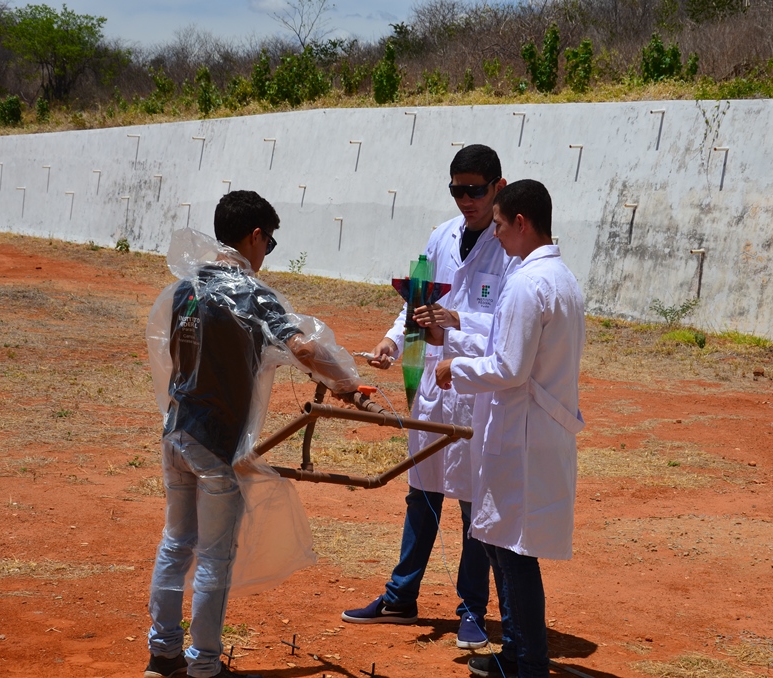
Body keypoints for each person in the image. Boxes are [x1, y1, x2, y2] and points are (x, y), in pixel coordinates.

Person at [144, 190, 361, 678]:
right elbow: (302, 347)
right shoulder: (250, 292)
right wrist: (345, 382)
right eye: (270, 241)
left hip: (175, 433)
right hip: (216, 442)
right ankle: (203, 666)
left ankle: (163, 654)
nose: (267, 253)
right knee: (216, 556)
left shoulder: (187, 287)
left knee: (176, 544)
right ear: (255, 235)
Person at [341, 145, 510, 650]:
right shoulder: (442, 236)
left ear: (498, 187)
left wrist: (454, 326)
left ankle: (472, 610)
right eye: (457, 190)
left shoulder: (509, 246)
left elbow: (510, 328)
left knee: (472, 503)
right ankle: (400, 596)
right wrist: (394, 339)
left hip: (475, 392)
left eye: (475, 190)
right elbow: (418, 302)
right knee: (422, 492)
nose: (466, 200)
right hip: (432, 391)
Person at [435, 179, 585, 678]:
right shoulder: (561, 277)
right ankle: (521, 651)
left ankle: (528, 661)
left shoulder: (525, 282)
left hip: (520, 430)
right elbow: (509, 348)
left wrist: (453, 369)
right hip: (536, 428)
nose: (494, 235)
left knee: (511, 548)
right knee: (507, 542)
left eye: (499, 225)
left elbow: (510, 367)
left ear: (521, 223)